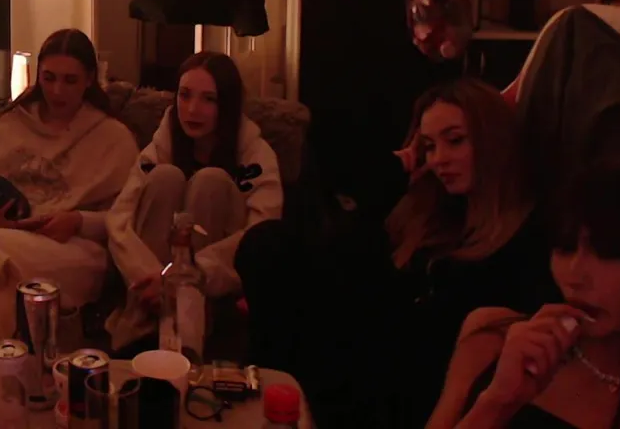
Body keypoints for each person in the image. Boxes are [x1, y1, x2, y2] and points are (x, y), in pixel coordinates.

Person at [236, 78, 558, 428]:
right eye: (429, 147)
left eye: (455, 141)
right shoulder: (435, 215)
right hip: (368, 360)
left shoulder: (526, 236)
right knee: (268, 246)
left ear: (493, 140)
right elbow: (354, 257)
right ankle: (265, 400)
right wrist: (394, 176)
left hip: (415, 387)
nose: (438, 159)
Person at [428, 161, 620, 428]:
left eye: (606, 253)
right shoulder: (493, 337)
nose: (574, 275)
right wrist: (497, 403)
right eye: (565, 248)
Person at [0, 29, 138, 340]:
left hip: (74, 249)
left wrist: (78, 221)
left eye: (70, 80)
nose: (57, 91)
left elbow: (127, 217)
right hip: (5, 237)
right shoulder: (14, 123)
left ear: (89, 79)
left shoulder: (113, 138)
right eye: (49, 78)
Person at [106, 51, 282, 351]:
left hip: (212, 287)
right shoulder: (162, 143)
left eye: (208, 99)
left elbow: (262, 232)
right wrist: (155, 277)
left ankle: (193, 329)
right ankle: (143, 328)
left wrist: (190, 276)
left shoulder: (255, 152)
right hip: (152, 284)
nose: (192, 109)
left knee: (210, 181)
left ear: (226, 105)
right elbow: (119, 218)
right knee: (164, 177)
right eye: (185, 95)